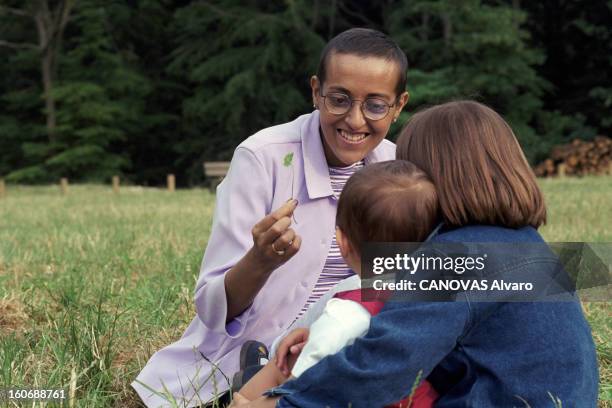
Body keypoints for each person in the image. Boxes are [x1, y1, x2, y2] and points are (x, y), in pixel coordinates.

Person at [244, 101, 599, 407]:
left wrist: (284, 401)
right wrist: (322, 331)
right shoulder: (523, 246)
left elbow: (384, 364)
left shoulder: (454, 258)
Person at [132, 27, 410, 407]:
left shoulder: (401, 172)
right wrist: (258, 262)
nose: (355, 120)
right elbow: (212, 309)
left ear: (399, 106)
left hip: (340, 358)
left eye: (376, 105)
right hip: (237, 366)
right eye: (339, 99)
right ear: (316, 92)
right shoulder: (262, 157)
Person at [230, 161, 440, 408]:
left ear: (342, 241)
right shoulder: (434, 295)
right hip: (420, 399)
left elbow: (304, 390)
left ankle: (240, 400)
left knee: (283, 365)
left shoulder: (347, 311)